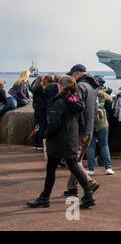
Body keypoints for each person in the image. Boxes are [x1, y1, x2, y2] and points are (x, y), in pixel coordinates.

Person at [26, 76, 95, 209]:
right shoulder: (77, 101)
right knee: (74, 166)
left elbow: (54, 124)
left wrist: (46, 135)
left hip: (58, 141)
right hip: (72, 139)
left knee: (51, 169)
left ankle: (45, 198)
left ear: (60, 86)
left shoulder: (58, 102)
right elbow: (81, 122)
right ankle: (89, 195)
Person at [64, 64, 100, 197]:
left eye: (72, 75)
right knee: (77, 160)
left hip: (79, 129)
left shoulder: (79, 87)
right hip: (89, 129)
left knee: (73, 161)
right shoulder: (93, 86)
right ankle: (72, 188)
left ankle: (90, 182)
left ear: (78, 73)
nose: (71, 78)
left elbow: (77, 107)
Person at [86, 84, 114, 175]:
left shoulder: (87, 93)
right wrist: (104, 91)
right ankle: (108, 168)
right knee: (104, 145)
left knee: (90, 146)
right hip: (102, 122)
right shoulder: (101, 93)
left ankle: (90, 169)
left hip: (90, 122)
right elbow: (111, 99)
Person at [30, 75, 52, 150]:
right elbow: (46, 98)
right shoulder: (42, 88)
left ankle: (35, 143)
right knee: (43, 127)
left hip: (36, 109)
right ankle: (40, 143)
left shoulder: (34, 88)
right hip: (43, 110)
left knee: (36, 127)